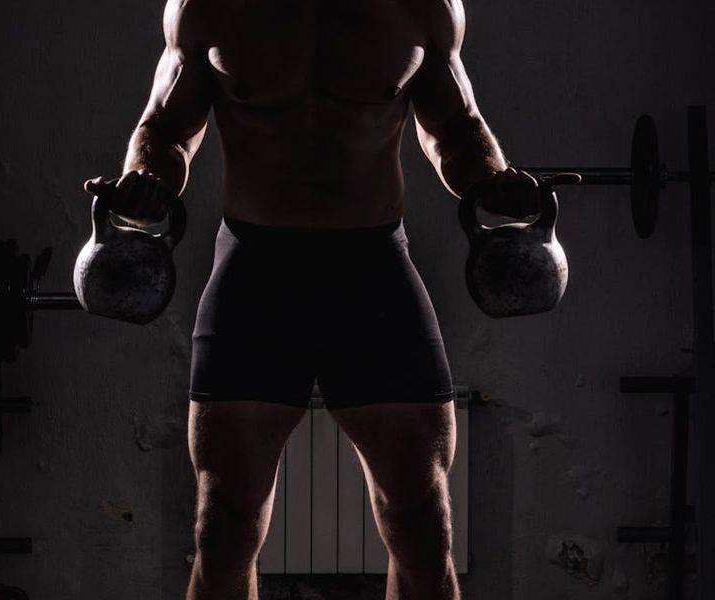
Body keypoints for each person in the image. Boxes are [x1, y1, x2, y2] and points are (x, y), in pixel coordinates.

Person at [84, 1, 549, 598]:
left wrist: (490, 179)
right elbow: (166, 129)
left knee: (421, 525)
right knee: (225, 526)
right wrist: (147, 180)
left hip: (371, 270)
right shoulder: (209, 8)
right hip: (257, 270)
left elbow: (455, 127)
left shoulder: (420, 8)